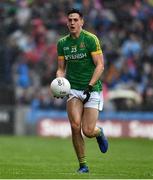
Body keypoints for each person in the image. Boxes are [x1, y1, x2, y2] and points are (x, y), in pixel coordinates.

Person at [56, 8, 108, 173]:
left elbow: (100, 65)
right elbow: (60, 69)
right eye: (70, 20)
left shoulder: (91, 39)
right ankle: (83, 165)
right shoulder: (62, 43)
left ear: (82, 22)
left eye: (75, 20)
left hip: (92, 89)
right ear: (67, 22)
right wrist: (59, 84)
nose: (72, 23)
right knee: (75, 125)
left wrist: (90, 85)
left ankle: (99, 133)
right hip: (74, 90)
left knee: (88, 130)